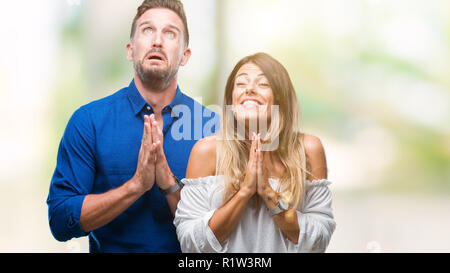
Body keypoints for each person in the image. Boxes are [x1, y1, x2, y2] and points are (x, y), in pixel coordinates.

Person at [47, 0, 218, 253]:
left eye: (170, 33)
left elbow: (224, 231)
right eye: (147, 30)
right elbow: (60, 221)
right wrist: (135, 186)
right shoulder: (88, 122)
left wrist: (169, 184)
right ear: (130, 49)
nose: (157, 41)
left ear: (185, 56)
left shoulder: (212, 129)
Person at [174, 52, 336, 253]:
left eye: (263, 84)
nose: (249, 89)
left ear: (281, 97)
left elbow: (318, 241)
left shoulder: (308, 149)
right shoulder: (206, 151)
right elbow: (190, 243)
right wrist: (244, 192)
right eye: (241, 84)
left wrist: (268, 194)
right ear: (231, 100)